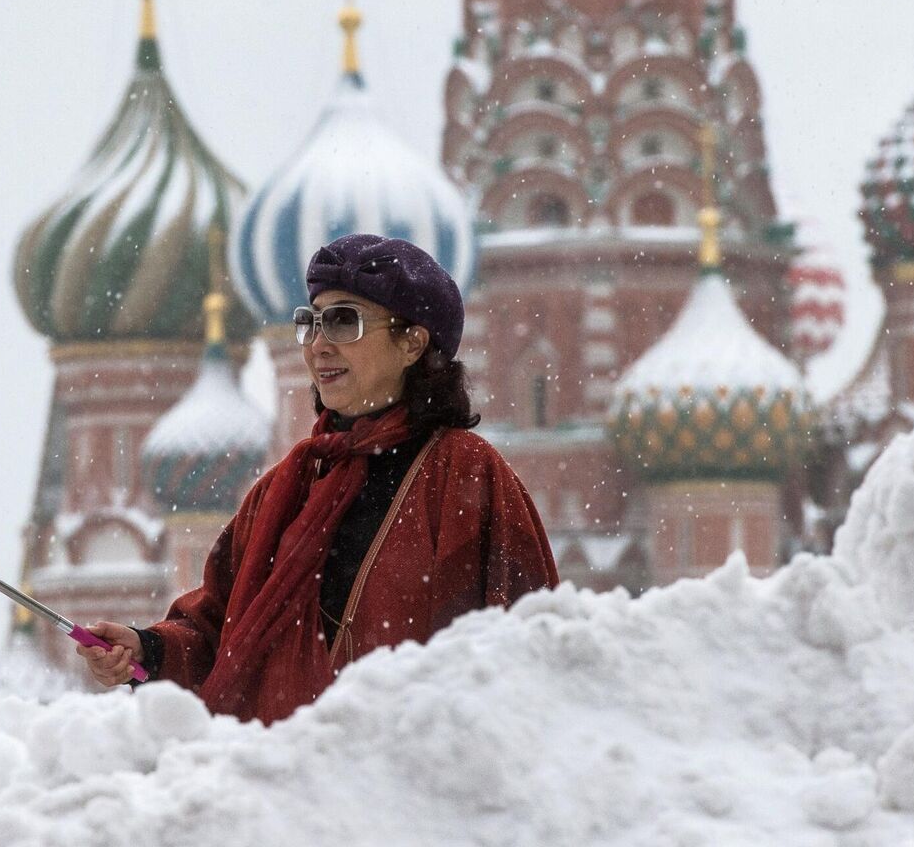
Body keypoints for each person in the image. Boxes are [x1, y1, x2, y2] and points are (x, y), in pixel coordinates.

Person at [76, 232, 558, 723]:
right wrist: (148, 648)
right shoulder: (285, 487)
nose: (318, 346)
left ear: (413, 341)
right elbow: (219, 629)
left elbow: (529, 648)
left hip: (412, 777)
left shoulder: (467, 473)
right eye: (311, 323)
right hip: (282, 777)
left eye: (343, 321)